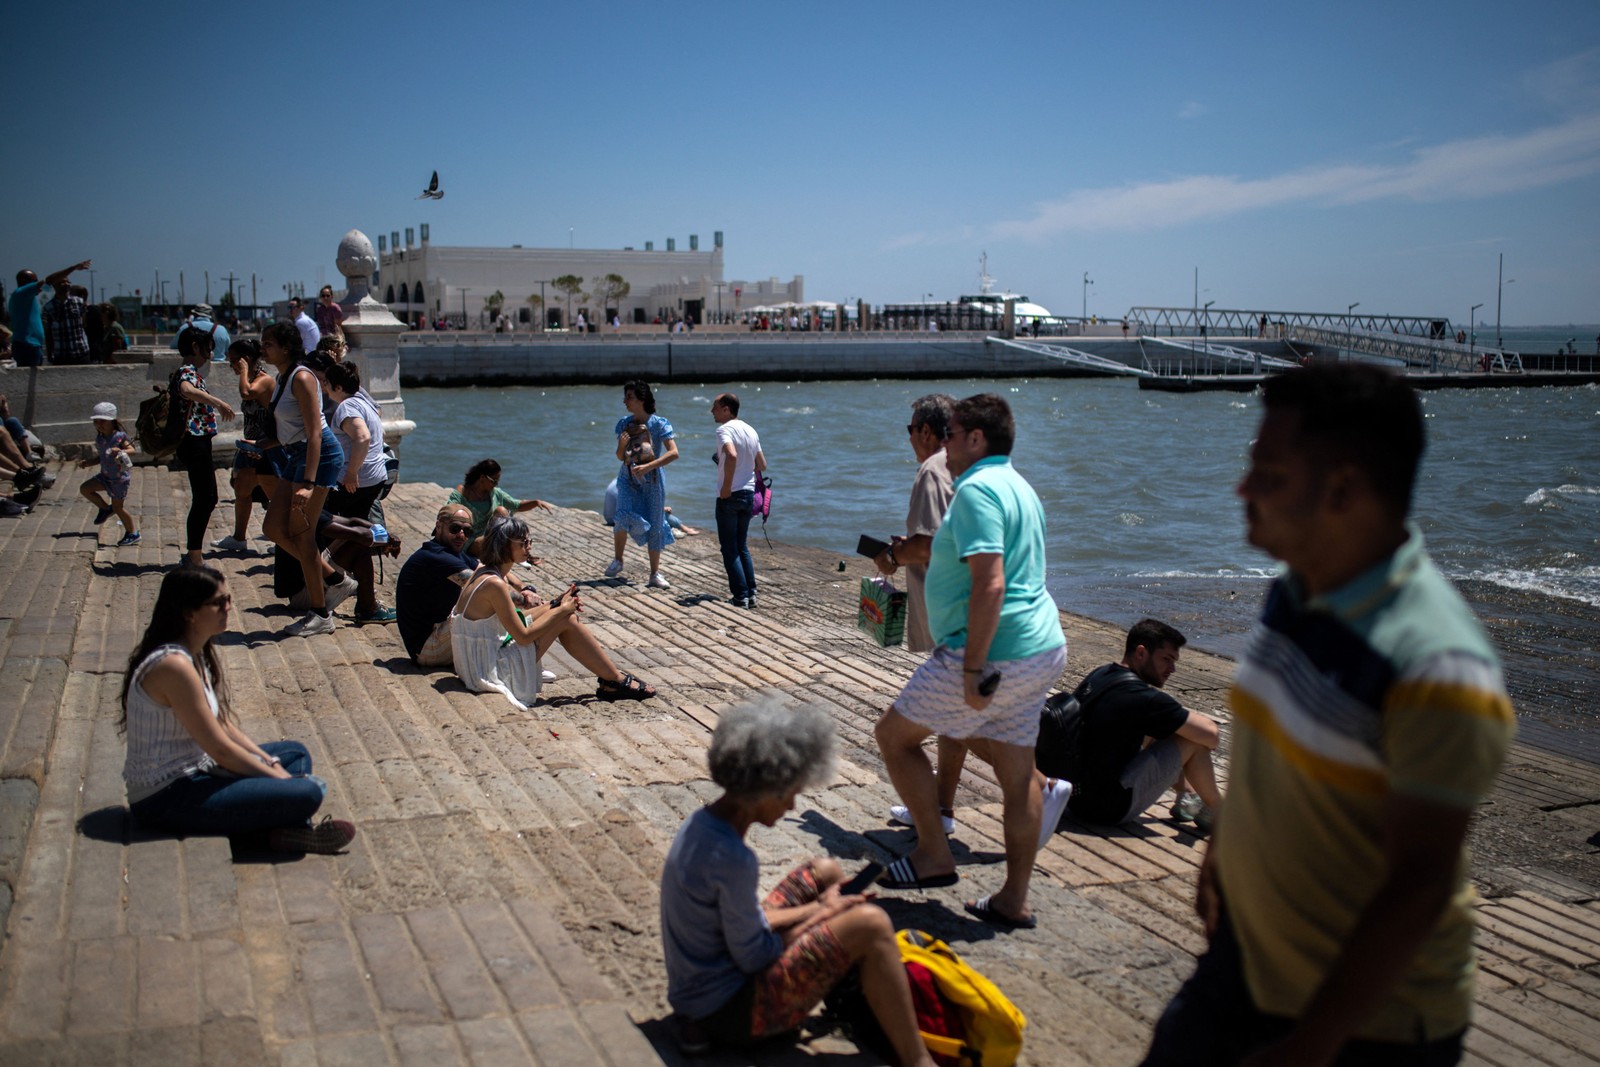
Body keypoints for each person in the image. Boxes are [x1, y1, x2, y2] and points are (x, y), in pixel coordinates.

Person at [1141, 363, 1516, 1066]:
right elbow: (1274, 744)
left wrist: (1312, 1045)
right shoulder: (1300, 587)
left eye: (1269, 474)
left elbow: (1420, 881)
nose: (1242, 490)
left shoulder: (1437, 666)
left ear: (1342, 488)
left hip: (1359, 1023)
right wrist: (1228, 844)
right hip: (1247, 961)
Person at [872, 393, 1066, 932]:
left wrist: (971, 669)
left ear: (976, 439)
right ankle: (1013, 899)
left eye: (952, 434)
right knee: (1017, 773)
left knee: (894, 736)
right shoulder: (1021, 487)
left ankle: (934, 855)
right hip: (1041, 647)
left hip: (992, 650)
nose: (943, 443)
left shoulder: (978, 489)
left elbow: (991, 582)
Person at [659, 695, 936, 1067]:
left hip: (703, 983)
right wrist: (824, 914)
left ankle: (856, 997)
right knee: (870, 924)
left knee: (825, 872)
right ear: (765, 789)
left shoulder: (701, 824)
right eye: (790, 795)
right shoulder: (733, 858)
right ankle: (919, 1060)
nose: (791, 807)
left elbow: (741, 924)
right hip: (728, 1011)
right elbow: (755, 955)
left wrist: (822, 906)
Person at [119, 566, 356, 854]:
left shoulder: (194, 651)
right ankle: (279, 832)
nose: (228, 607)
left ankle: (281, 827)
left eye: (228, 599)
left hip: (202, 769)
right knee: (306, 792)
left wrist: (268, 762)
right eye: (218, 603)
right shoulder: (174, 666)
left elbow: (223, 725)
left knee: (294, 753)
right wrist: (279, 780)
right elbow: (220, 749)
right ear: (189, 612)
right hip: (167, 797)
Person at [448, 516, 655, 710]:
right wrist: (561, 611)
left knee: (563, 613)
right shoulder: (495, 584)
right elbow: (522, 635)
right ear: (504, 546)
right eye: (523, 543)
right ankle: (615, 681)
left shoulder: (484, 572)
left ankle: (612, 679)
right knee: (566, 618)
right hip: (489, 671)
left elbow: (518, 619)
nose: (528, 546)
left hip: (476, 664)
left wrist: (554, 605)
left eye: (529, 541)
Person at [1043, 618, 1221, 832]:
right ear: (1141, 653)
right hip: (1109, 808)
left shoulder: (1101, 674)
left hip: (1075, 797)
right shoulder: (1142, 697)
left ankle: (1188, 795)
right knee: (1192, 740)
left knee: (1165, 728)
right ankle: (1219, 811)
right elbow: (1212, 735)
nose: (1172, 669)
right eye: (1167, 659)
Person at [875, 395, 960, 833]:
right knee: (958, 719)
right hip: (970, 611)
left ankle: (1038, 787)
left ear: (926, 431)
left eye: (910, 430)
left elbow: (926, 543)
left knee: (893, 734)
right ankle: (941, 809)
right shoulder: (966, 465)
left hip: (951, 616)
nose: (909, 439)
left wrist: (893, 555)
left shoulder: (932, 469)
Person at [258, 321, 344, 636]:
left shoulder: (302, 377)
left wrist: (308, 484)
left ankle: (321, 613)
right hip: (297, 454)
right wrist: (265, 444)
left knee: (303, 536)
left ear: (286, 347)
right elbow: (293, 429)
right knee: (273, 528)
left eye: (268, 343)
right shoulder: (282, 378)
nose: (263, 347)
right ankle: (335, 579)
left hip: (319, 458)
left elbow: (315, 432)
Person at [398, 502, 544, 668]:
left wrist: (525, 589)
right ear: (438, 527)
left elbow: (488, 568)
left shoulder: (453, 553)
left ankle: (527, 654)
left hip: (439, 634)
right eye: (455, 529)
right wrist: (525, 601)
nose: (461, 535)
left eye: (467, 531)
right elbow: (483, 585)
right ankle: (521, 660)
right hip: (428, 647)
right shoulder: (435, 557)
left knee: (495, 593)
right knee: (487, 598)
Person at [172, 327, 238, 569]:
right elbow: (186, 390)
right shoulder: (186, 372)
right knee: (205, 497)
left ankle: (194, 553)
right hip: (194, 442)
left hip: (198, 443)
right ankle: (194, 555)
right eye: (207, 348)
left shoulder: (190, 372)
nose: (210, 353)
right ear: (195, 348)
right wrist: (218, 402)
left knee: (207, 497)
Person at [606, 380, 678, 586]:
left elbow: (674, 453)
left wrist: (649, 466)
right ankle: (618, 560)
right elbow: (621, 457)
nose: (625, 401)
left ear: (642, 399)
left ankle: (655, 574)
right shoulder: (624, 424)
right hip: (627, 478)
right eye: (625, 396)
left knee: (655, 526)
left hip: (653, 481)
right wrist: (621, 445)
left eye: (629, 397)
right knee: (621, 514)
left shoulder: (659, 424)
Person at [213, 339, 276, 553]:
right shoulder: (250, 379)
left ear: (246, 360)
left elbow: (246, 393)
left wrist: (243, 371)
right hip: (250, 447)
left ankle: (284, 540)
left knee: (275, 496)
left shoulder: (264, 380)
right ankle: (239, 537)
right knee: (241, 489)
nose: (231, 366)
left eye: (233, 361)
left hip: (267, 448)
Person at [711, 392, 766, 608]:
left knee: (729, 547)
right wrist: (744, 469)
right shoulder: (750, 430)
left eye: (715, 406)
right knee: (741, 545)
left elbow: (732, 455)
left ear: (726, 409)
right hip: (749, 494)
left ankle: (740, 596)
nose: (711, 411)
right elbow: (761, 464)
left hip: (730, 494)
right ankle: (751, 593)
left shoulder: (723, 430)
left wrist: (726, 486)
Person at [320, 361, 388, 522]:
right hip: (375, 476)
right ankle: (371, 544)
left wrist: (351, 474)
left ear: (338, 388)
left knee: (325, 521)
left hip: (354, 480)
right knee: (357, 521)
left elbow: (362, 437)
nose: (325, 388)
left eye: (327, 384)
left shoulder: (347, 407)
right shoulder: (366, 403)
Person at [447, 458, 552, 551]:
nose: (496, 484)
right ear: (482, 477)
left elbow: (517, 505)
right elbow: (447, 510)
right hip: (468, 538)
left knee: (501, 511)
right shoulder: (463, 491)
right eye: (494, 481)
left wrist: (535, 502)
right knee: (490, 544)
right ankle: (514, 553)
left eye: (497, 481)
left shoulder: (495, 493)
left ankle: (517, 551)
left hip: (489, 536)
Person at [78, 401, 140, 546]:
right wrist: (88, 463)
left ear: (112, 421)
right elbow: (101, 457)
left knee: (119, 508)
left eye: (103, 421)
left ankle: (133, 533)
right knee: (85, 488)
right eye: (96, 422)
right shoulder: (100, 439)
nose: (99, 424)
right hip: (105, 476)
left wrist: (120, 450)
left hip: (119, 479)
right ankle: (105, 509)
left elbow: (133, 450)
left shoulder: (119, 436)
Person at [8, 263, 90, 367]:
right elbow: (49, 280)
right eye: (34, 282)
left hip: (31, 345)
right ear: (27, 283)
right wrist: (73, 268)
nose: (38, 287)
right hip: (27, 345)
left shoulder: (25, 298)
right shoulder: (21, 293)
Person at [40, 266, 94, 365]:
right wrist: (49, 353)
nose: (65, 284)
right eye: (61, 282)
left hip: (81, 352)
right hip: (62, 355)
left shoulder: (79, 302)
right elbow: (48, 333)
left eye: (67, 282)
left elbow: (85, 325)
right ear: (54, 286)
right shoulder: (48, 307)